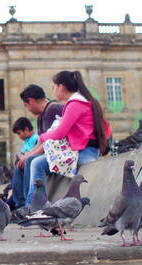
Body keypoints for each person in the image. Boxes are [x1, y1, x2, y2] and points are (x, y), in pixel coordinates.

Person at [23, 71, 112, 206]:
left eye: (54, 87)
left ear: (61, 87)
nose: (53, 91)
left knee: (37, 163)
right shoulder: (82, 101)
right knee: (37, 162)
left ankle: (33, 206)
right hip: (85, 150)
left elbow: (60, 133)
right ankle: (33, 205)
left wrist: (42, 136)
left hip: (84, 152)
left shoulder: (75, 104)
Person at [10, 84, 63, 208]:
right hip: (50, 151)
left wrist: (28, 157)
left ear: (31, 101)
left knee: (30, 161)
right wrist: (26, 155)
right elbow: (41, 142)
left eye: (26, 105)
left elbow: (49, 143)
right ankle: (20, 205)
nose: (27, 108)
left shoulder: (53, 109)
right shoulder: (41, 116)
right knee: (21, 163)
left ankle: (30, 204)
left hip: (59, 152)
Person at [8, 117, 39, 209]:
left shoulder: (36, 138)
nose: (19, 136)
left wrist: (22, 156)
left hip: (30, 165)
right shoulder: (26, 141)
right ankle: (18, 202)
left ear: (26, 129)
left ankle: (22, 202)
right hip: (23, 166)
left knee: (18, 168)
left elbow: (32, 153)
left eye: (19, 133)